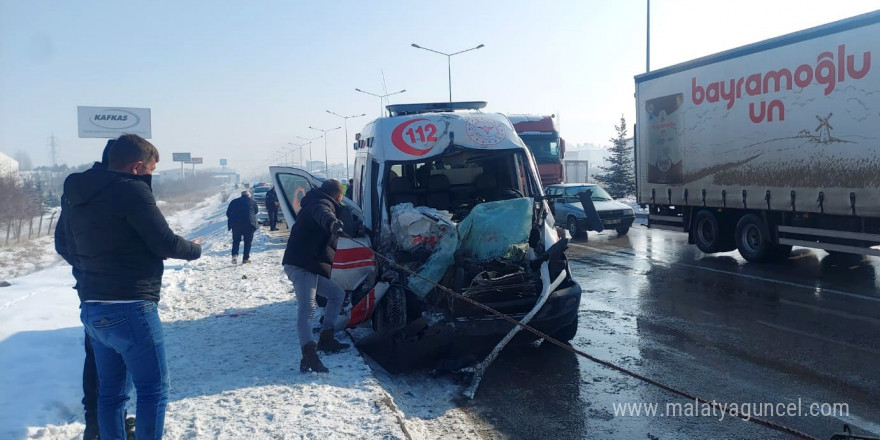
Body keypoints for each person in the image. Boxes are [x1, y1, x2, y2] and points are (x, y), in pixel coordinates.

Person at [56, 134, 202, 440]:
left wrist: (92, 271)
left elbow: (63, 244)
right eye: (150, 170)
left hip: (92, 306)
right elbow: (164, 242)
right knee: (153, 391)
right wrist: (195, 249)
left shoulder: (77, 191)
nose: (151, 177)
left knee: (110, 395)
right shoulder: (132, 190)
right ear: (137, 167)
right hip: (132, 306)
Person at [282, 179, 350, 373]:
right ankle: (309, 356)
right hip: (301, 264)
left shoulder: (318, 200)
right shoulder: (321, 204)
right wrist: (332, 223)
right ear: (338, 195)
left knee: (337, 294)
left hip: (309, 264)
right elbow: (323, 215)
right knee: (308, 308)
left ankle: (326, 339)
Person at [226, 190, 259, 263]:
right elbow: (256, 211)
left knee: (236, 240)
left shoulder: (234, 201)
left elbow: (228, 213)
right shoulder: (252, 201)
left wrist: (233, 220)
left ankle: (234, 256)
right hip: (249, 224)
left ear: (241, 195)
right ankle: (245, 259)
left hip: (236, 225)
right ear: (248, 195)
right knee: (248, 242)